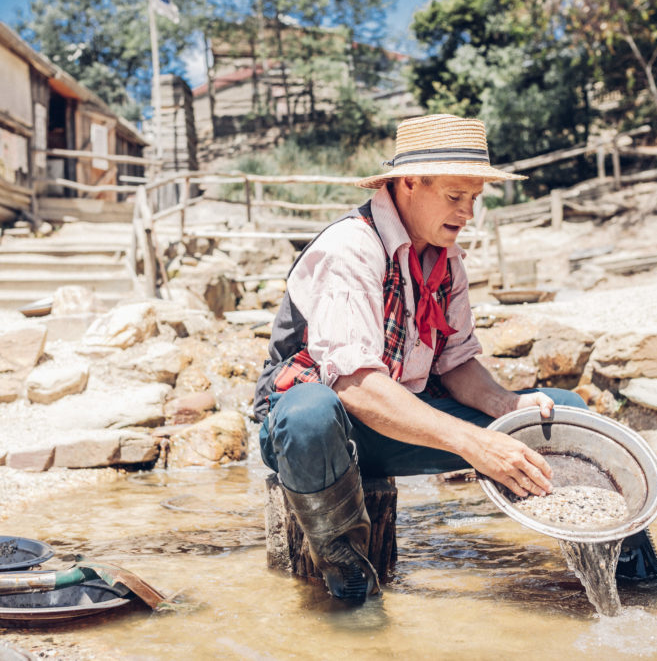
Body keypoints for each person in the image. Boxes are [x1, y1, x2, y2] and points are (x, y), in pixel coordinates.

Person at [254, 114, 605, 605]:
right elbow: (353, 383)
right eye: (455, 197)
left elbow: (455, 363)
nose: (467, 214)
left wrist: (507, 406)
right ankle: (343, 562)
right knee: (310, 411)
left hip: (395, 423)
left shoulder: (447, 258)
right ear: (410, 184)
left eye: (474, 199)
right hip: (315, 437)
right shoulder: (351, 247)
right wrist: (474, 444)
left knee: (564, 413)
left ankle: (619, 559)